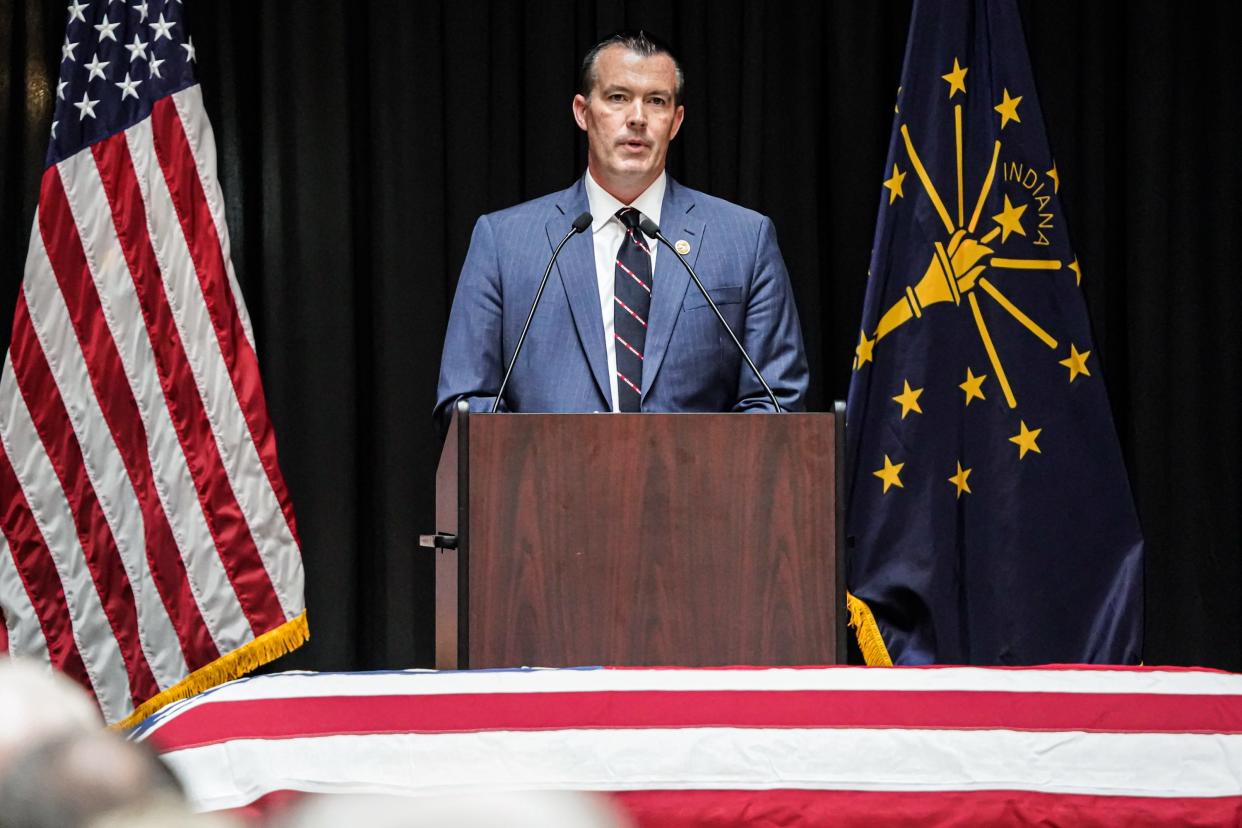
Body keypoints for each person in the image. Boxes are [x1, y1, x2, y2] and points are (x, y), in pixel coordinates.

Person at [435, 31, 808, 430]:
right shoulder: (504, 241)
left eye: (656, 101)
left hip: (697, 489)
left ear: (676, 121)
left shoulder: (744, 240)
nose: (637, 117)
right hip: (549, 489)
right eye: (617, 98)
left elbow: (775, 402)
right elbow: (466, 403)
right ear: (582, 112)